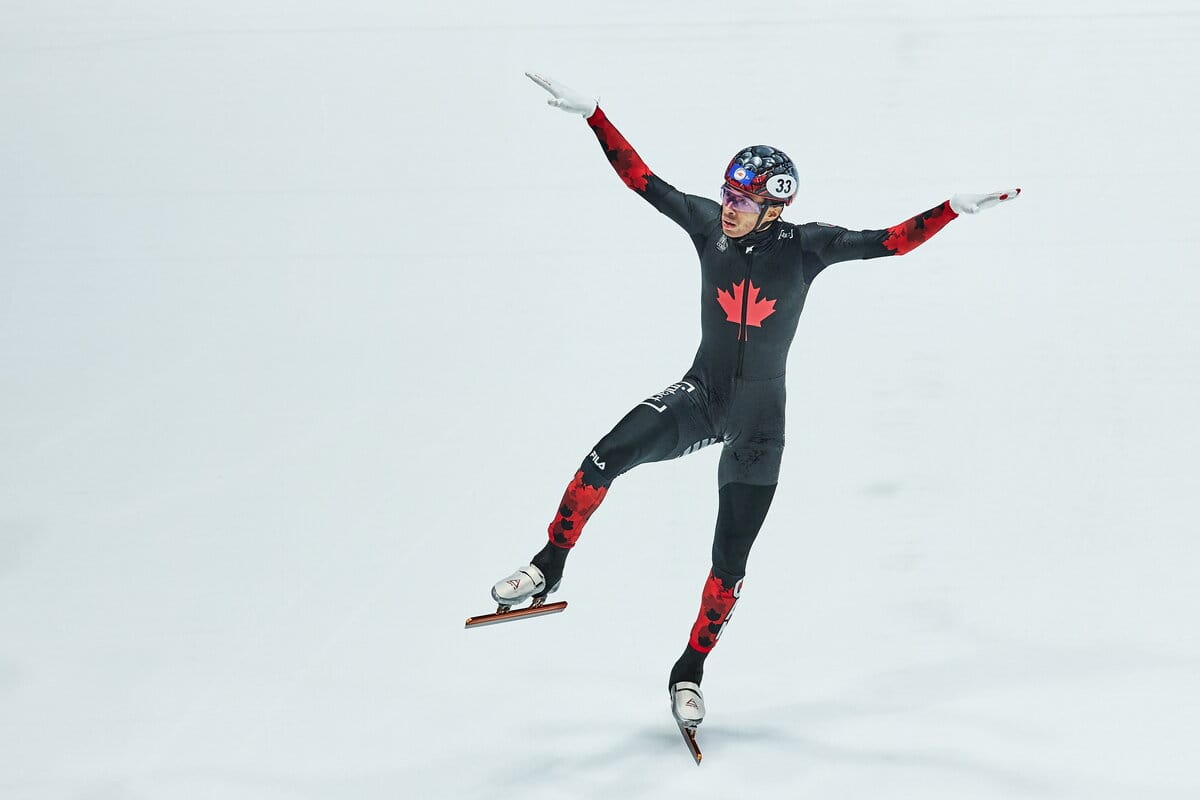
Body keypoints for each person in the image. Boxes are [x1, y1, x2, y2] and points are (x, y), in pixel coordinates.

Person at [491, 72, 1019, 731]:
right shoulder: (707, 227)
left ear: (776, 207)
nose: (729, 205)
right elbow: (642, 180)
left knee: (727, 567)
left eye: (744, 198)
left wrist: (949, 208)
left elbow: (888, 242)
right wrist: (595, 114)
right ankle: (550, 565)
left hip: (758, 431)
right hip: (699, 399)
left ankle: (689, 672)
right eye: (727, 192)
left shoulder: (806, 248)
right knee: (602, 459)